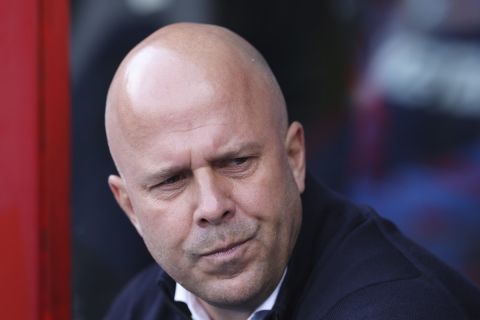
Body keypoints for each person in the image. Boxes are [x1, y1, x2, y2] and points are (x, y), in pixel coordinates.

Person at [104, 23, 480, 320]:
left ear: (295, 157)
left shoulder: (395, 307)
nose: (212, 205)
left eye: (237, 162)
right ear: (130, 208)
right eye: (172, 181)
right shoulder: (138, 308)